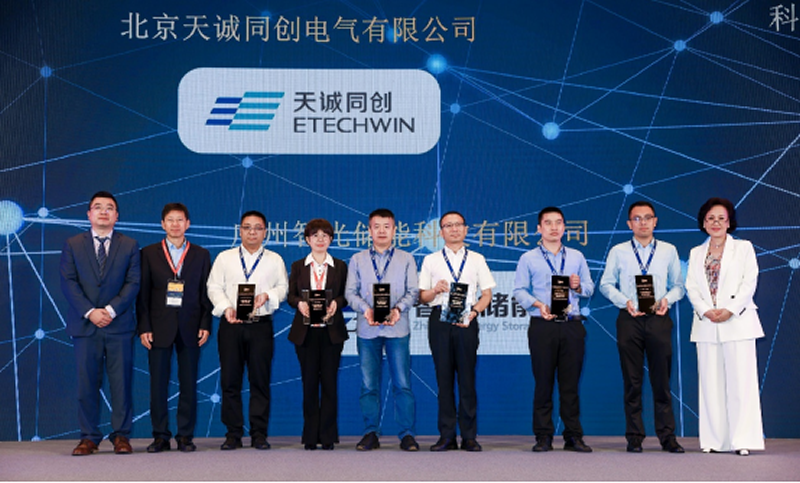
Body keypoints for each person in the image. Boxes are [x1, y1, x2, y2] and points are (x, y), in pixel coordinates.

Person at [599, 201, 686, 453]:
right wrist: (624, 301)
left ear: (655, 221)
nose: (643, 222)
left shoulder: (668, 250)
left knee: (662, 381)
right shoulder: (618, 251)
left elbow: (679, 285)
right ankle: (634, 436)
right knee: (632, 381)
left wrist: (667, 300)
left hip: (658, 318)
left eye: (648, 218)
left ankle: (667, 437)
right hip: (629, 319)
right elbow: (606, 284)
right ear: (629, 224)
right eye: (637, 218)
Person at [59, 191, 140, 455]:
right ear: (89, 214)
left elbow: (133, 283)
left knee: (121, 384)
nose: (103, 212)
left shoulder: (129, 245)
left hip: (119, 326)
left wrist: (110, 310)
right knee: (86, 384)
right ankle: (89, 437)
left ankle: (121, 436)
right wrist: (90, 312)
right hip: (85, 326)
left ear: (117, 215)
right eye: (98, 207)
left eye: (109, 208)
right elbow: (68, 282)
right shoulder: (73, 244)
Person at [685, 197, 765, 456]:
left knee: (741, 384)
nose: (716, 223)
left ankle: (743, 440)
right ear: (703, 223)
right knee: (711, 384)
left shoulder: (743, 248)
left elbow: (749, 282)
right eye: (710, 218)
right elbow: (691, 287)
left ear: (730, 222)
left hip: (738, 322)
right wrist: (705, 310)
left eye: (721, 218)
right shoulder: (696, 253)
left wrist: (730, 309)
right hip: (707, 324)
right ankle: (713, 440)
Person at [513, 206, 594, 453]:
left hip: (571, 325)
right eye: (548, 223)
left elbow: (589, 288)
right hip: (543, 325)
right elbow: (519, 290)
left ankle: (573, 436)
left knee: (570, 384)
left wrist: (578, 287)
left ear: (565, 227)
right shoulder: (528, 258)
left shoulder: (577, 257)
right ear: (539, 228)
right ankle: (543, 436)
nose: (554, 227)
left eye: (558, 222)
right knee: (543, 383)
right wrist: (538, 304)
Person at [207, 210, 288, 451]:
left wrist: (268, 295)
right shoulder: (225, 258)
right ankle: (233, 433)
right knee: (230, 381)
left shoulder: (274, 259)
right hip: (231, 325)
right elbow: (213, 286)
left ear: (265, 232)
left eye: (258, 228)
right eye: (247, 227)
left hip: (260, 325)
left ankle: (259, 433)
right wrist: (226, 307)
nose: (252, 232)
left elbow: (283, 287)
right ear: (240, 230)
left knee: (259, 381)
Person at [137, 203, 212, 453]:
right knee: (158, 385)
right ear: (162, 224)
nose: (175, 224)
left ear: (187, 224)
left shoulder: (201, 254)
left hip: (191, 326)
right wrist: (144, 327)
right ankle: (160, 436)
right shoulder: (148, 253)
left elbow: (205, 293)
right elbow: (143, 294)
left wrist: (205, 323)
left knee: (188, 384)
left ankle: (185, 436)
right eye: (170, 220)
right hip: (158, 327)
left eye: (180, 220)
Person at [418, 211, 495, 452]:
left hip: (467, 320)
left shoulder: (477, 259)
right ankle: (447, 436)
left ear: (466, 229)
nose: (454, 229)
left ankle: (469, 436)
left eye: (458, 225)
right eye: (448, 225)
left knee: (467, 379)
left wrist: (474, 312)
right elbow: (422, 297)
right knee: (444, 380)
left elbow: (487, 294)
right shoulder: (430, 260)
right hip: (439, 320)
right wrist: (435, 290)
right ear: (441, 232)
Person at [345, 208, 420, 451]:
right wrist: (366, 310)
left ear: (394, 230)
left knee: (402, 383)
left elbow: (413, 292)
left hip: (397, 329)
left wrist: (398, 309)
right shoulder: (357, 259)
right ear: (369, 230)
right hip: (367, 330)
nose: (381, 231)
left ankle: (407, 434)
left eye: (386, 226)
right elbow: (350, 293)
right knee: (369, 384)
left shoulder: (406, 259)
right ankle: (370, 433)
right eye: (376, 226)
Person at [287, 219, 349, 450]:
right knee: (310, 383)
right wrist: (299, 303)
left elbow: (345, 295)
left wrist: (336, 303)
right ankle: (310, 436)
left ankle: (328, 436)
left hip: (331, 332)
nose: (320, 239)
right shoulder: (298, 266)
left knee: (330, 383)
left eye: (325, 235)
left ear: (331, 239)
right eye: (315, 235)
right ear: (307, 239)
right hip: (306, 333)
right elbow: (290, 295)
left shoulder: (340, 266)